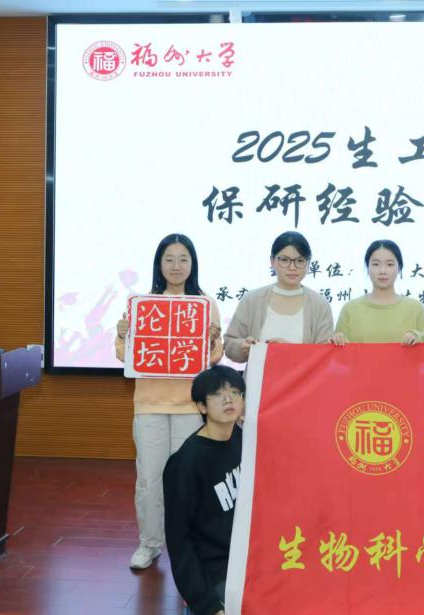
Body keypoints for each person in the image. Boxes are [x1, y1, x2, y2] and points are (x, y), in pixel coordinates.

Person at [115, 233, 223, 570]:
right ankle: (149, 543)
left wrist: (212, 341)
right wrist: (122, 334)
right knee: (149, 478)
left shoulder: (205, 304)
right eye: (169, 259)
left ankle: (189, 543)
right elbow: (124, 355)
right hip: (149, 405)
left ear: (193, 264)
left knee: (188, 479)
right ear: (159, 265)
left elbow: (213, 357)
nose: (176, 266)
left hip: (190, 407)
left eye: (183, 259)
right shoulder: (142, 304)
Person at [164, 366, 244, 615]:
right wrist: (207, 605)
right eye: (218, 394)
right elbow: (179, 543)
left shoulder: (240, 438)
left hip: (243, 561)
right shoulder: (184, 464)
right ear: (201, 406)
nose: (229, 399)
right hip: (213, 574)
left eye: (235, 392)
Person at [224, 231, 333, 362]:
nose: (292, 267)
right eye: (284, 260)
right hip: (258, 375)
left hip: (304, 376)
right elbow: (229, 344)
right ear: (272, 261)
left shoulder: (320, 305)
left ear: (308, 263)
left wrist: (289, 351)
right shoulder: (252, 299)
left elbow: (324, 357)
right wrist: (242, 346)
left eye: (300, 261)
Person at [329, 239, 424, 345]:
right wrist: (338, 339)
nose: (382, 271)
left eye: (390, 264)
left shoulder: (416, 309)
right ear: (368, 268)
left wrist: (417, 337)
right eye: (376, 264)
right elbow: (339, 350)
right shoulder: (350, 310)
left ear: (399, 268)